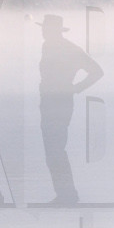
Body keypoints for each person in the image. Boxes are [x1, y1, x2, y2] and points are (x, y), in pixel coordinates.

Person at [38, 14, 103, 205]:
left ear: (54, 30)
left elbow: (97, 71)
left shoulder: (70, 49)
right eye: (43, 28)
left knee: (55, 149)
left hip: (60, 102)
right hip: (48, 102)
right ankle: (64, 194)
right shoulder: (47, 46)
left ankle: (68, 195)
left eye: (45, 29)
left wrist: (76, 88)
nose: (42, 32)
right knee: (52, 151)